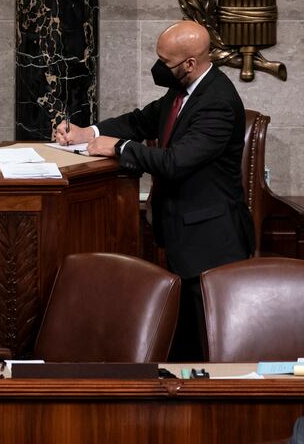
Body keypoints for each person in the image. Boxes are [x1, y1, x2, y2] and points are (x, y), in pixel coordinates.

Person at [52, 20, 254, 359]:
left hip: (210, 241)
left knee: (203, 346)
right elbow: (140, 121)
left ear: (190, 63)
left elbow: (175, 162)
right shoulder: (182, 91)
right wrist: (88, 132)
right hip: (180, 231)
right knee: (182, 342)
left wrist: (117, 148)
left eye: (166, 62)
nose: (159, 67)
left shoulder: (217, 101)